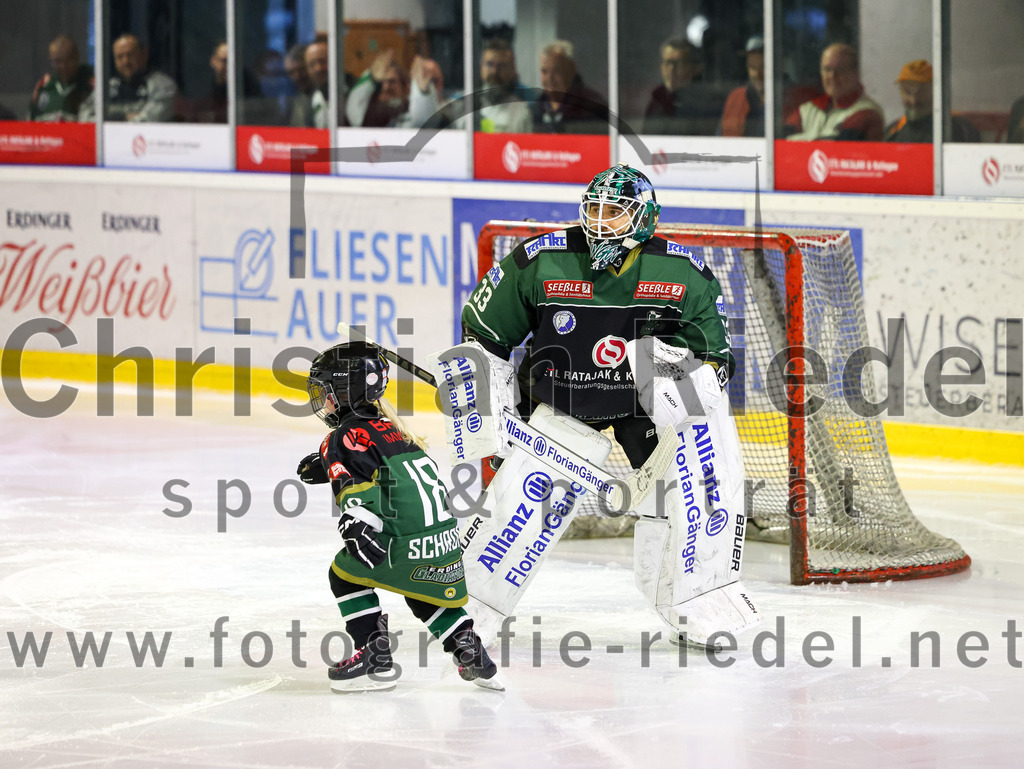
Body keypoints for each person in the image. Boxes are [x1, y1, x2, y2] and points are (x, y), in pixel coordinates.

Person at [444, 164, 758, 648]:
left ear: (645, 217)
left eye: (614, 211)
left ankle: (692, 608)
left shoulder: (682, 273)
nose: (599, 221)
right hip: (561, 403)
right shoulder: (540, 260)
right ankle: (470, 619)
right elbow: (483, 338)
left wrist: (691, 401)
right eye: (593, 209)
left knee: (688, 498)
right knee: (518, 513)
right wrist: (490, 410)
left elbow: (715, 358)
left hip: (643, 412)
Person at [298, 342, 502, 693]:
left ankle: (373, 656)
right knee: (423, 592)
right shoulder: (397, 430)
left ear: (347, 391)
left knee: (344, 576)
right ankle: (470, 650)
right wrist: (330, 462)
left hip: (406, 542)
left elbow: (358, 487)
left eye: (328, 392)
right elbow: (395, 477)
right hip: (444, 544)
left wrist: (357, 523)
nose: (324, 402)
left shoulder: (342, 436)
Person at [785, 42, 883, 141]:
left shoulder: (867, 112)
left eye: (840, 70)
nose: (832, 76)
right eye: (827, 69)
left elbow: (839, 150)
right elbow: (781, 142)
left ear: (855, 73)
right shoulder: (808, 109)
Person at [80, 33, 178, 122]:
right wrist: (123, 117)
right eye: (120, 57)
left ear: (144, 55)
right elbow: (84, 117)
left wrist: (108, 119)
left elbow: (149, 121)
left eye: (130, 55)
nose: (125, 61)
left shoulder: (163, 86)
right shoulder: (109, 87)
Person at [641, 38, 723, 136]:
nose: (671, 69)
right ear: (661, 67)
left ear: (695, 68)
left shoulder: (707, 103)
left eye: (679, 63)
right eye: (667, 63)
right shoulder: (657, 99)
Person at [884, 59, 979, 143]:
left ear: (935, 92)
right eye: (907, 92)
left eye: (921, 92)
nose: (913, 100)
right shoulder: (893, 131)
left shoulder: (959, 129)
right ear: (900, 92)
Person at [346, 49, 442, 129]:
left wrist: (422, 92)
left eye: (391, 81)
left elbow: (423, 122)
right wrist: (372, 79)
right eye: (380, 83)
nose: (386, 87)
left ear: (405, 88)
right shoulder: (370, 116)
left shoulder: (409, 114)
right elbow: (356, 116)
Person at [532, 40, 608, 134]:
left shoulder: (593, 107)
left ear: (571, 70)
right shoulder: (535, 109)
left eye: (557, 70)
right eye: (544, 71)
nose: (550, 78)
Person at [29, 34, 93, 122]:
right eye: (58, 61)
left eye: (69, 60)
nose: (63, 66)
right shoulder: (46, 86)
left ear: (77, 57)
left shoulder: (90, 84)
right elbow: (31, 120)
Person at [719, 36, 765, 137]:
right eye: (752, 68)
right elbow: (719, 138)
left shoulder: (789, 100)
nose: (758, 75)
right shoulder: (735, 97)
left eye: (763, 67)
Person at [291, 39, 329, 128]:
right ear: (307, 69)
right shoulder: (303, 101)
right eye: (312, 64)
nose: (318, 68)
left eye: (323, 61)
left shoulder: (350, 91)